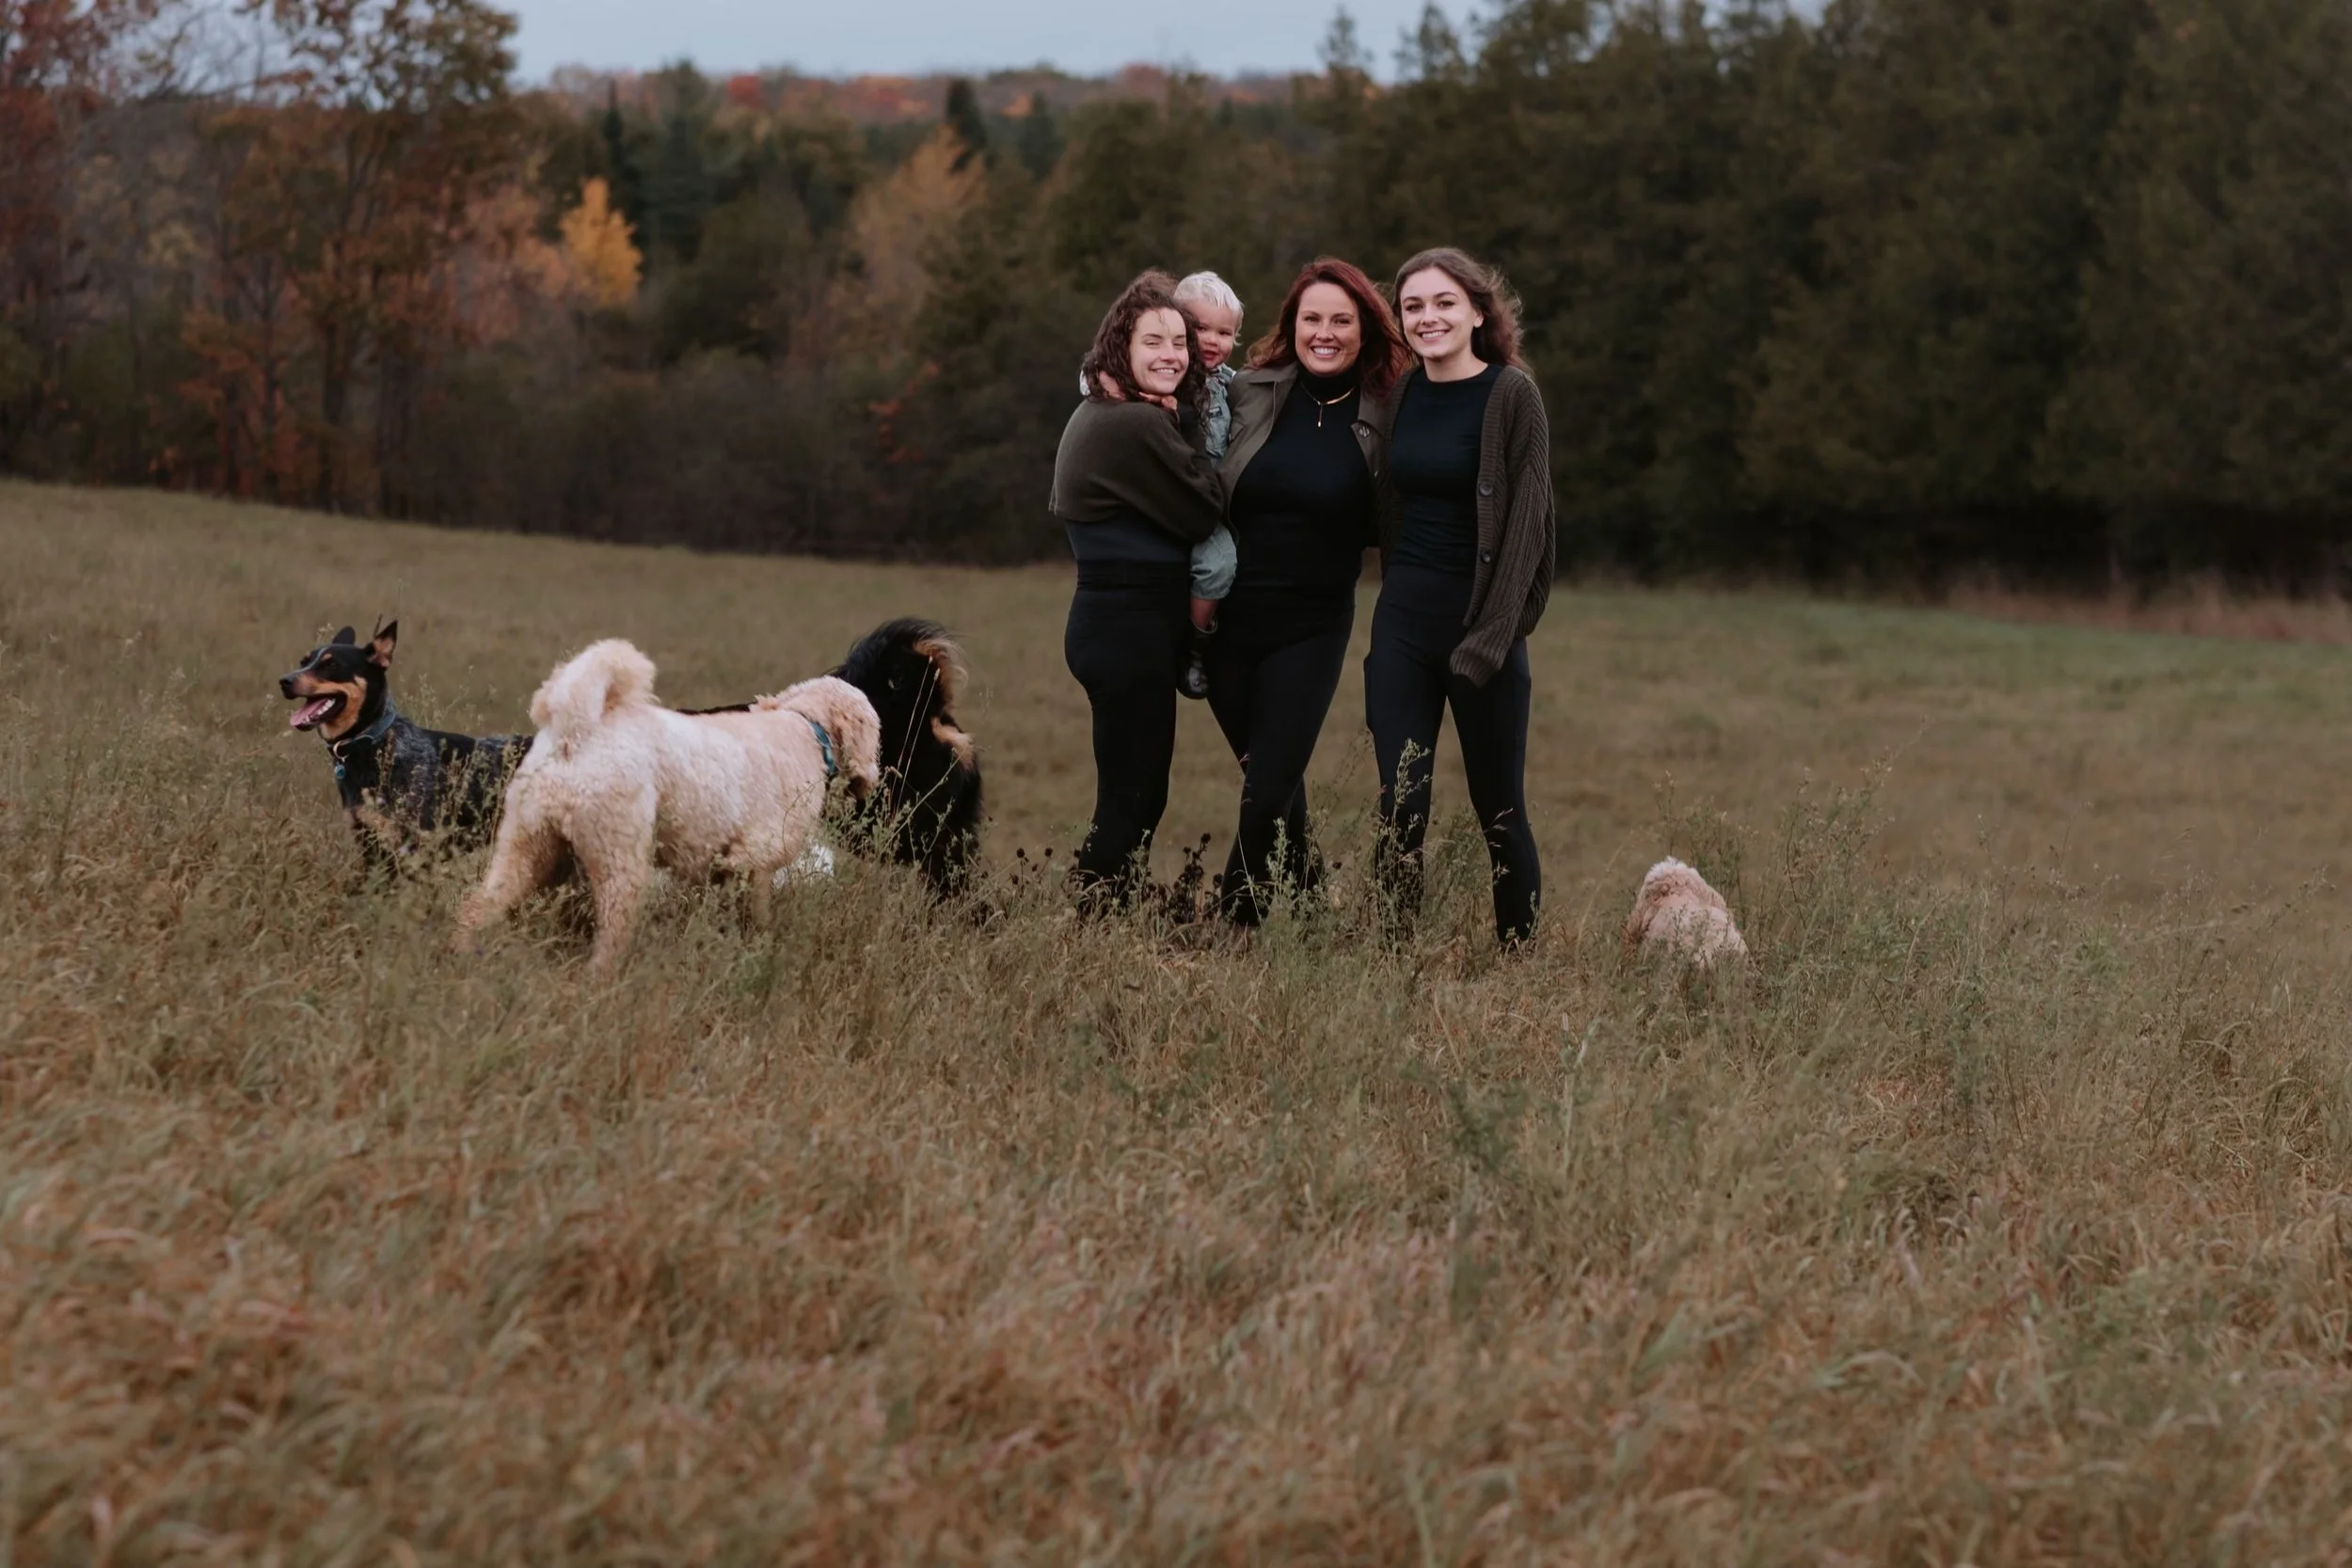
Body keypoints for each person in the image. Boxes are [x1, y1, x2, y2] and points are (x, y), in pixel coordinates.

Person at [1364, 246, 1555, 946]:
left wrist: (1491, 639)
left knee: (1499, 812)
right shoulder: (1400, 395)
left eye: (1444, 302)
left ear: (1478, 311)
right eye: (1413, 306)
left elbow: (1532, 527)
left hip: (1485, 632)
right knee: (1401, 807)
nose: (1428, 317)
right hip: (1403, 629)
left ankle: (1518, 966)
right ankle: (1388, 960)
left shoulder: (1512, 396)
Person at [1208, 257, 1406, 925]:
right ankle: (1314, 905)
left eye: (1341, 320)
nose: (1325, 332)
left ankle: (1233, 925)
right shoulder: (1249, 393)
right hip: (1228, 623)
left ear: (1365, 329)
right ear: (1292, 326)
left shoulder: (1390, 408)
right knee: (1275, 785)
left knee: (1266, 789)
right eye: (1312, 318)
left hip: (1314, 626)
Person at [1049, 270, 1225, 909]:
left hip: (1111, 622)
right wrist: (1188, 428)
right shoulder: (1138, 425)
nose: (1171, 355)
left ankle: (1107, 908)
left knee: (1135, 788)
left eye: (1180, 342)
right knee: (1134, 793)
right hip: (1127, 627)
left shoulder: (1102, 409)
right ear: (1121, 346)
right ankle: (1095, 916)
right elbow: (1206, 506)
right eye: (1153, 341)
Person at [1173, 271, 1244, 702]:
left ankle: (1195, 643)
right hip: (1174, 497)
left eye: (1224, 332)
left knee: (1222, 563)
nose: (1212, 340)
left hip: (1213, 503)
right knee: (1217, 563)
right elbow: (1097, 373)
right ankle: (1191, 647)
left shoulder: (1233, 383)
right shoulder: (1164, 370)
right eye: (1200, 328)